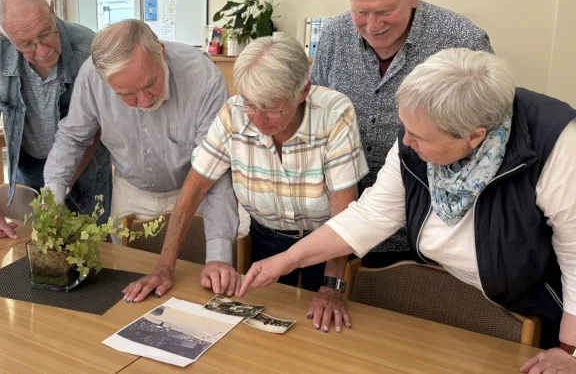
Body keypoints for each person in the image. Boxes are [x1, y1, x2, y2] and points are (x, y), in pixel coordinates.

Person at [240, 49, 576, 371]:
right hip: (459, 299)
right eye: (405, 129)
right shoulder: (417, 134)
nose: (407, 143)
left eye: (418, 137)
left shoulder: (558, 146)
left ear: (474, 138)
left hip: (538, 314)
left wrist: (568, 350)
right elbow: (370, 215)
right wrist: (285, 261)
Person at [124, 36, 368, 334]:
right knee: (261, 335)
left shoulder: (335, 114)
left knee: (325, 333)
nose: (258, 120)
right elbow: (193, 190)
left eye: (271, 109)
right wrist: (165, 266)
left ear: (302, 91)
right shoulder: (234, 112)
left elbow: (344, 211)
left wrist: (332, 285)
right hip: (267, 240)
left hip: (327, 246)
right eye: (251, 105)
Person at [310, 0, 494, 267]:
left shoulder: (463, 42)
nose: (372, 25)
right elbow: (316, 120)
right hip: (342, 223)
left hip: (427, 235)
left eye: (384, 11)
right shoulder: (334, 37)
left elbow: (488, 145)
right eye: (360, 12)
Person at [43, 19, 237, 246]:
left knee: (198, 271)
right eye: (127, 95)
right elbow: (73, 137)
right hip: (130, 192)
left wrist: (219, 252)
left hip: (195, 192)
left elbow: (216, 168)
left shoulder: (204, 78)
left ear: (161, 53)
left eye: (150, 83)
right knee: (126, 272)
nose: (145, 102)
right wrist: (54, 197)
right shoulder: (91, 77)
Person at [0, 0, 111, 239]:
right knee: (29, 249)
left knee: (89, 252)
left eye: (45, 34)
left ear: (51, 9)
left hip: (86, 168)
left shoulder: (88, 49)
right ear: (4, 35)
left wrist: (59, 186)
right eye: (26, 45)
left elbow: (96, 128)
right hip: (28, 168)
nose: (42, 50)